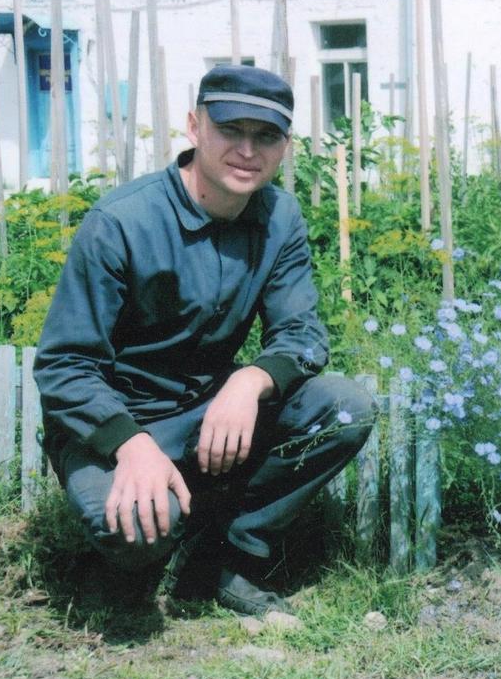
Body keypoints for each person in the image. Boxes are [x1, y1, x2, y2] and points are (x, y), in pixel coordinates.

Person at [35, 65, 371, 616]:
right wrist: (131, 444)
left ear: (285, 146)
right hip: (113, 424)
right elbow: (65, 365)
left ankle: (225, 559)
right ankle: (135, 551)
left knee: (345, 409)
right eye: (230, 130)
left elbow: (301, 332)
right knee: (141, 531)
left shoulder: (278, 216)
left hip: (208, 409)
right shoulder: (121, 222)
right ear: (195, 127)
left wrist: (249, 380)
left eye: (265, 136)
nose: (247, 150)